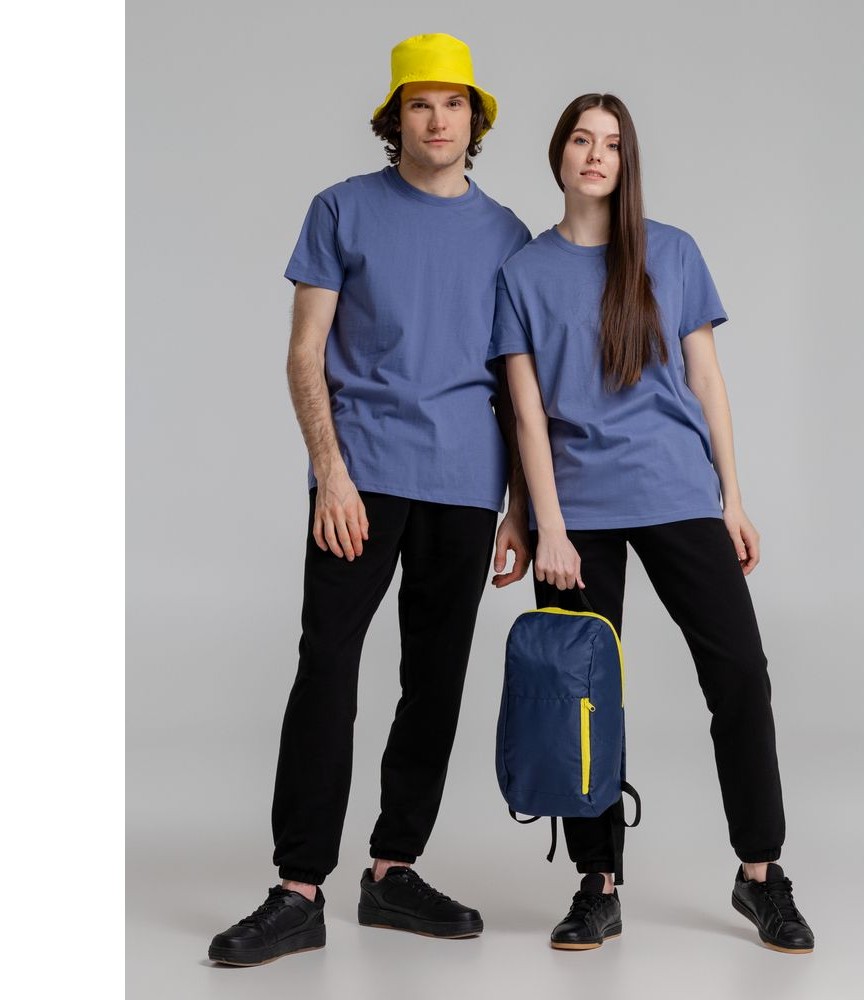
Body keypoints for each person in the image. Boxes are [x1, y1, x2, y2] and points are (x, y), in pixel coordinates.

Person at [208, 33, 531, 966]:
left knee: (435, 680)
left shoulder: (509, 235)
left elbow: (519, 384)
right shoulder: (341, 209)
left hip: (465, 488)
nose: (438, 119)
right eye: (420, 104)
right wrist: (331, 471)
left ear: (474, 120)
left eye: (455, 103)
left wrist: (516, 506)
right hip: (362, 480)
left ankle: (393, 872)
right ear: (396, 118)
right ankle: (298, 889)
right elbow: (304, 352)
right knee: (328, 669)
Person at [489, 93, 815, 954]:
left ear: (626, 161)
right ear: (559, 154)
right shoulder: (523, 273)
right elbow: (526, 414)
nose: (596, 154)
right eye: (581, 139)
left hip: (677, 493)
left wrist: (732, 498)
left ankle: (761, 875)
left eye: (611, 143)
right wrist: (546, 526)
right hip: (577, 511)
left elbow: (708, 382)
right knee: (581, 697)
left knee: (739, 675)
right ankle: (596, 882)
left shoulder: (672, 252)